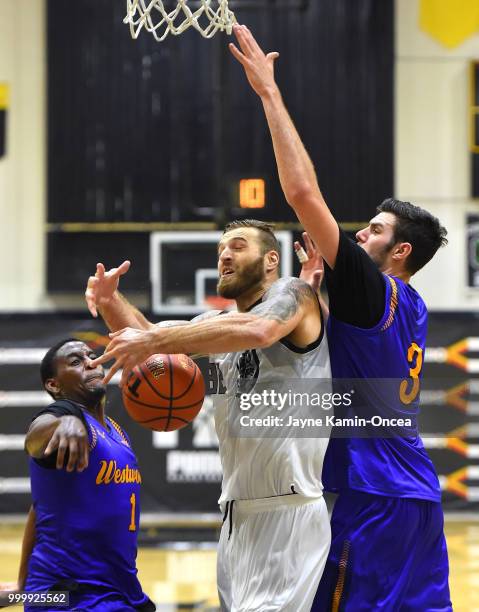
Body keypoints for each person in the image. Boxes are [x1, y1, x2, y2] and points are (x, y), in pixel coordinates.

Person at [228, 24, 451, 611]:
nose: (361, 234)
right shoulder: (412, 308)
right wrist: (312, 288)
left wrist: (269, 95)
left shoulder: (374, 287)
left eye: (375, 231)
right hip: (416, 492)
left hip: (370, 493)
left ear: (400, 252)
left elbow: (303, 193)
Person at [86, 219, 332, 612]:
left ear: (272, 259)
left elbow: (261, 330)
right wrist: (111, 300)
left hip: (289, 511)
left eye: (237, 246)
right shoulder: (215, 326)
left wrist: (154, 338)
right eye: (220, 251)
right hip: (236, 515)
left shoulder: (294, 294)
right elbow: (153, 346)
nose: (224, 256)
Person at [22, 338, 155, 612]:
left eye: (92, 356)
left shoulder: (117, 431)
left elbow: (40, 509)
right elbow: (35, 439)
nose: (91, 363)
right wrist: (64, 422)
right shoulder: (64, 418)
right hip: (70, 595)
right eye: (75, 361)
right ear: (54, 385)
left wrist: (21, 585)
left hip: (120, 589)